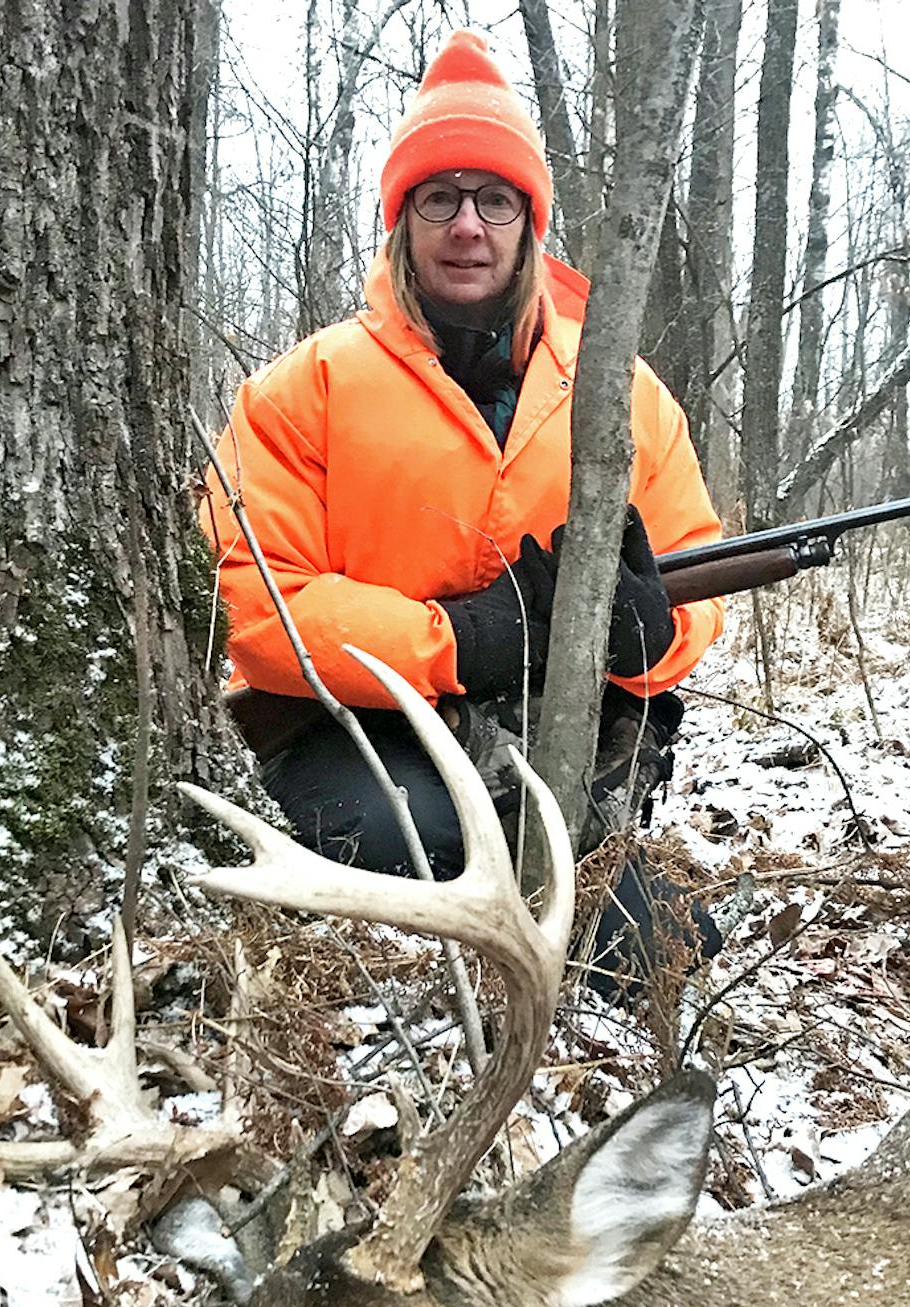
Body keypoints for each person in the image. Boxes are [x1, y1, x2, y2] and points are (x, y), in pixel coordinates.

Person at [201, 30, 726, 991]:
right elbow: (253, 608)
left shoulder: (622, 391)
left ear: (531, 220)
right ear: (402, 220)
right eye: (438, 198)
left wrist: (652, 635)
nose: (468, 225)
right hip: (365, 735)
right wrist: (463, 639)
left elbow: (699, 572)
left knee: (673, 957)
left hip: (558, 739)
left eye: (494, 199)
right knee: (424, 841)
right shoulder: (301, 390)